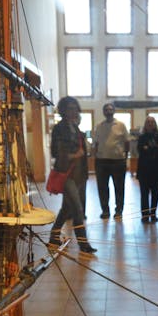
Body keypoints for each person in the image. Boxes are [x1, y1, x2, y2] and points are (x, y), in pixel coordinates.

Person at [48, 96, 96, 254]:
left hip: (79, 174)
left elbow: (83, 152)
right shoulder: (59, 128)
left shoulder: (76, 128)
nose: (73, 110)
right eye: (70, 108)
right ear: (63, 110)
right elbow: (55, 152)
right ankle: (83, 243)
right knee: (77, 209)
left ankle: (54, 235)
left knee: (66, 208)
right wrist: (74, 155)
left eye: (75, 107)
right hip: (66, 174)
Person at [92, 102, 130, 219]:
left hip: (118, 161)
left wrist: (125, 156)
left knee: (119, 187)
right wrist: (95, 156)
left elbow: (127, 142)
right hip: (101, 161)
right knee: (102, 188)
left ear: (113, 111)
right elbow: (95, 143)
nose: (108, 112)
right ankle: (105, 211)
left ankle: (119, 210)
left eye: (110, 109)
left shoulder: (121, 125)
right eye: (106, 110)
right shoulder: (99, 126)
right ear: (103, 112)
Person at [134, 116, 158, 224]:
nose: (150, 124)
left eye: (152, 122)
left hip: (157, 170)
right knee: (144, 194)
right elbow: (141, 150)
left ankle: (153, 214)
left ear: (155, 124)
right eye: (148, 122)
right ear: (145, 124)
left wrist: (149, 148)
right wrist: (156, 148)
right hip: (144, 170)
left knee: (155, 193)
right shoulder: (142, 137)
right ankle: (145, 215)